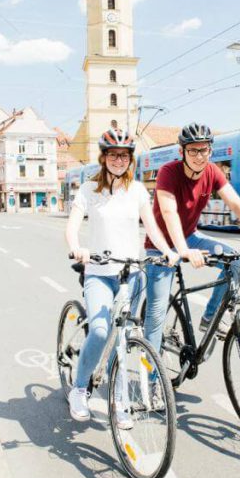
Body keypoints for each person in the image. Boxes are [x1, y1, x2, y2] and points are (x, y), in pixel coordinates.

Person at [65, 128, 178, 426]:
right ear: (103, 158)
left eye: (124, 155)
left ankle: (119, 398)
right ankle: (79, 387)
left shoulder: (138, 190)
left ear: (130, 160)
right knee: (101, 332)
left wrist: (167, 250)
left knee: (126, 337)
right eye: (113, 155)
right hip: (100, 274)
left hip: (132, 274)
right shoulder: (89, 190)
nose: (119, 160)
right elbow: (73, 224)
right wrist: (77, 248)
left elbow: (151, 227)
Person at [144, 122, 240, 350]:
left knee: (235, 259)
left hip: (190, 237)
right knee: (156, 314)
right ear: (182, 152)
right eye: (193, 150)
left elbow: (236, 204)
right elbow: (169, 212)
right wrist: (183, 250)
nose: (199, 156)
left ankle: (210, 318)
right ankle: (151, 380)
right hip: (161, 247)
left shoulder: (212, 171)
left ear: (210, 149)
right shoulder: (169, 172)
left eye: (204, 149)